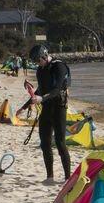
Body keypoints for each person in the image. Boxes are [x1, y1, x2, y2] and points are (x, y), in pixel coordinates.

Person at [20, 44, 71, 184]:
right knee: (45, 143)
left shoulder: (59, 67)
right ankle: (50, 177)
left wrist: (41, 98)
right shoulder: (40, 70)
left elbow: (57, 89)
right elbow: (40, 90)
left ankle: (68, 178)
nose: (37, 63)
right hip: (46, 109)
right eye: (35, 61)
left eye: (38, 60)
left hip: (59, 108)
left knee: (60, 143)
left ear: (44, 55)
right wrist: (24, 107)